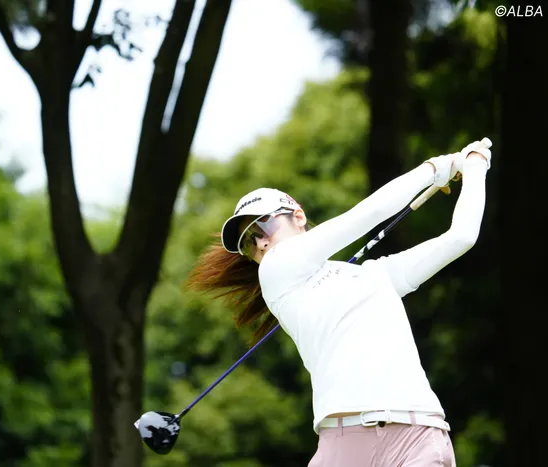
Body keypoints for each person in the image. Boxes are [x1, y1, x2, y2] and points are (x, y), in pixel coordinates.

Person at [184, 139, 492, 466]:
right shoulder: (274, 272)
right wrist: (439, 167)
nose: (260, 242)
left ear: (298, 216)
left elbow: (461, 237)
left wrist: (475, 165)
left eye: (263, 225)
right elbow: (367, 215)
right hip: (343, 442)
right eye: (248, 242)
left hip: (417, 435)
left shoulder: (376, 274)